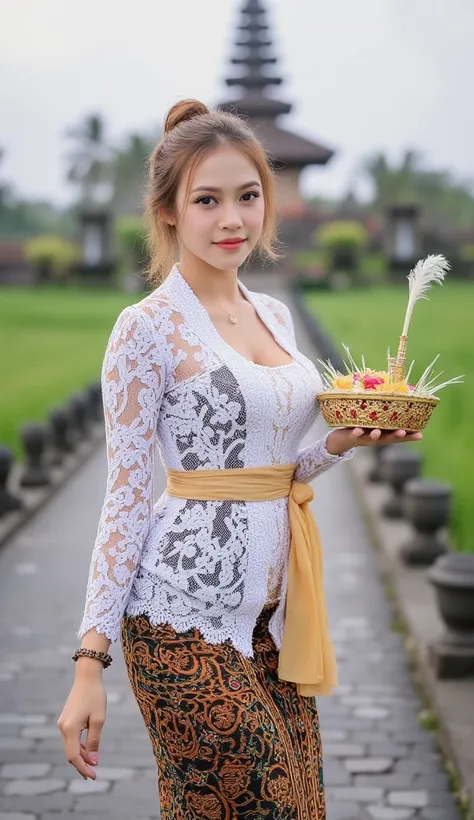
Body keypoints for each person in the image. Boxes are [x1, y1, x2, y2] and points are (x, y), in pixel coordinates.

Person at [57, 99, 423, 819]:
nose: (233, 219)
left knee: (301, 803)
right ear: (167, 212)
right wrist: (89, 664)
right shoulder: (146, 330)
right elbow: (126, 498)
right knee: (269, 807)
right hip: (176, 617)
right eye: (208, 200)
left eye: (248, 196)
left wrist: (340, 444)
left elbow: (273, 470)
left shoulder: (274, 316)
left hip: (268, 621)